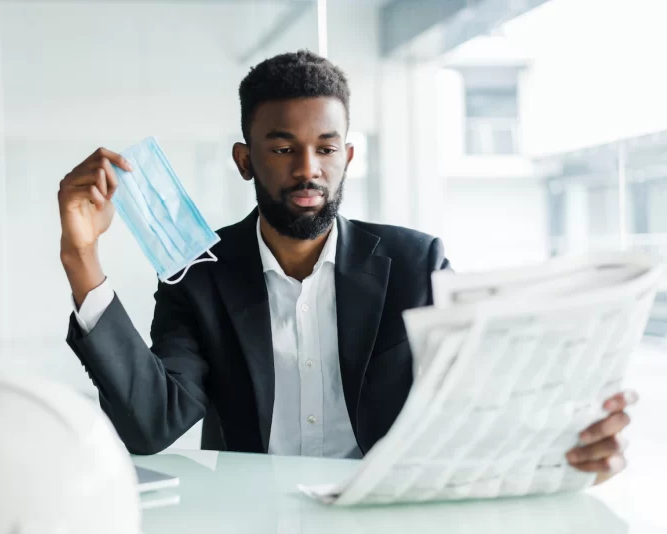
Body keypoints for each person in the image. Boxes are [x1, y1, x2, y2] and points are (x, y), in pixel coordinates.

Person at [58, 50, 633, 484]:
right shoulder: (200, 274)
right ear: (245, 160)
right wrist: (81, 257)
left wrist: (562, 439)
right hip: (254, 517)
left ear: (348, 157)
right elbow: (151, 425)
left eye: (326, 148)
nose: (308, 169)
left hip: (382, 510)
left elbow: (477, 397)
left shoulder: (416, 264)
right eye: (282, 149)